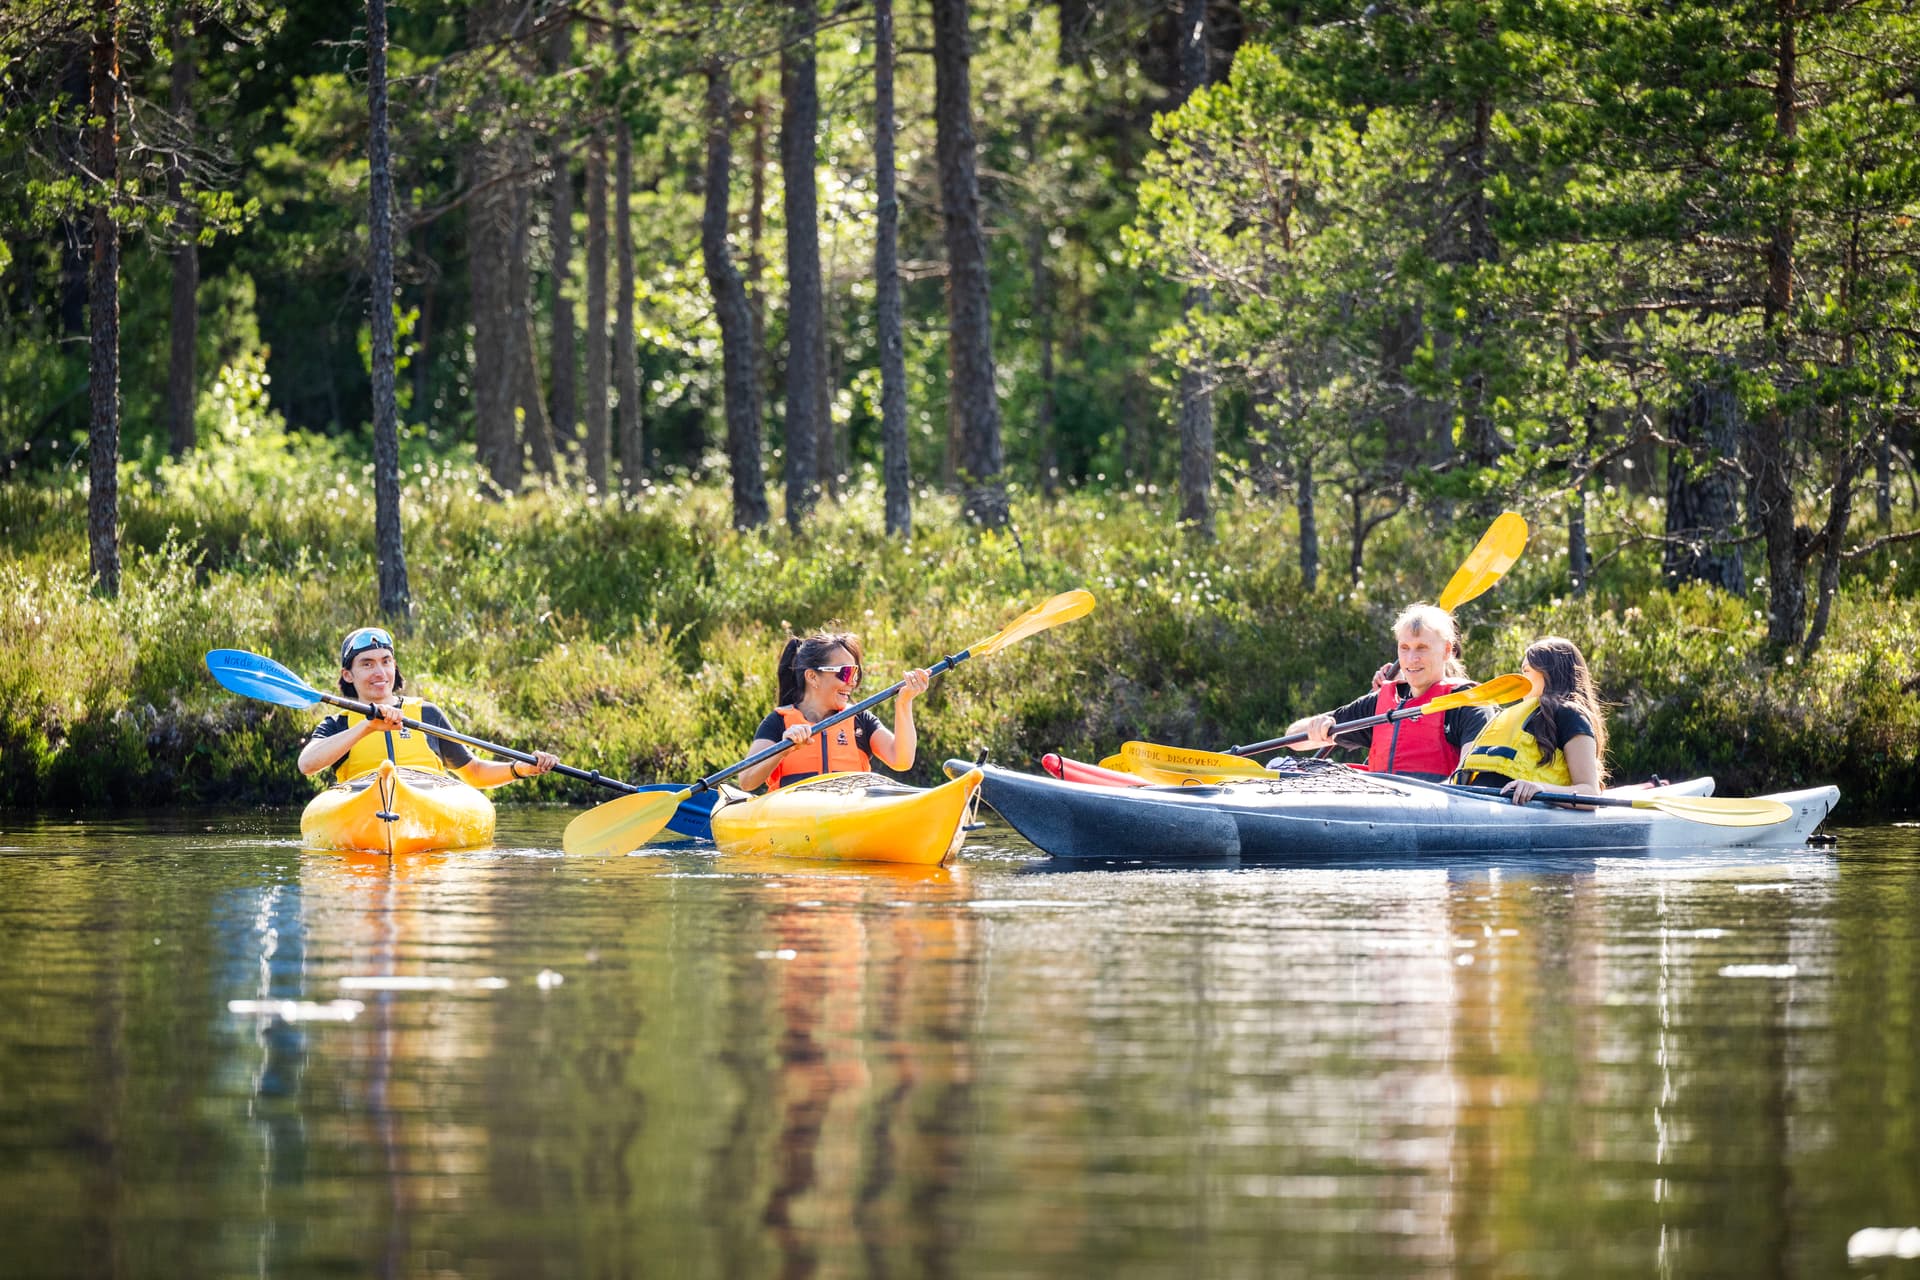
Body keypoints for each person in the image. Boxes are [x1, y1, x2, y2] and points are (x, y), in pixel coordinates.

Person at [296, 626, 559, 786]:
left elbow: (475, 773)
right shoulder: (338, 724)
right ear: (348, 675)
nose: (380, 671)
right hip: (364, 805)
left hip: (426, 799)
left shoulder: (426, 714)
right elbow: (307, 764)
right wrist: (367, 727)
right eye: (367, 663)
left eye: (386, 661)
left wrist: (520, 768)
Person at [1284, 603, 1493, 781]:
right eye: (1404, 647)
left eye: (1422, 648)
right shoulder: (1382, 703)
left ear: (1447, 650)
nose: (1412, 658)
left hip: (1435, 819)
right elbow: (1293, 737)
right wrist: (1319, 726)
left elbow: (1468, 778)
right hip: (1382, 817)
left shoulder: (1467, 703)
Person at [734, 630, 931, 792]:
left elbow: (902, 760)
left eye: (856, 673)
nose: (852, 682)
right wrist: (783, 750)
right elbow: (746, 781)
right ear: (812, 677)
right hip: (795, 822)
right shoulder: (778, 722)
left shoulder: (859, 720)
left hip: (848, 815)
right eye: (846, 672)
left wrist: (904, 703)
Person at [1452, 635, 1606, 804]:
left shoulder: (1569, 714)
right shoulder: (1516, 715)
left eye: (1526, 671)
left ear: (1550, 674)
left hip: (1526, 818)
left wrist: (1540, 788)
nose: (1520, 679)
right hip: (1477, 805)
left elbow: (1589, 792)